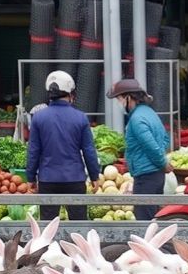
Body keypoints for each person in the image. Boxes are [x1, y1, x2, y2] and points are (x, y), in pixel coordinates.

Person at [28, 70, 100, 222]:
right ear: (70, 94)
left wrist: (30, 178)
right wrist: (94, 176)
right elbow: (88, 150)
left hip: (48, 180)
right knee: (78, 226)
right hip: (75, 179)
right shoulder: (80, 117)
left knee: (48, 228)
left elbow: (33, 151)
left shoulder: (38, 118)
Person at [109, 78, 170, 221]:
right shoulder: (150, 112)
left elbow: (150, 146)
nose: (119, 103)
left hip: (146, 176)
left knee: (144, 220)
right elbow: (165, 139)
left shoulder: (136, 119)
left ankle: (149, 244)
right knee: (153, 217)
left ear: (129, 98)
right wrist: (161, 162)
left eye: (119, 99)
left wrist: (163, 163)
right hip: (156, 176)